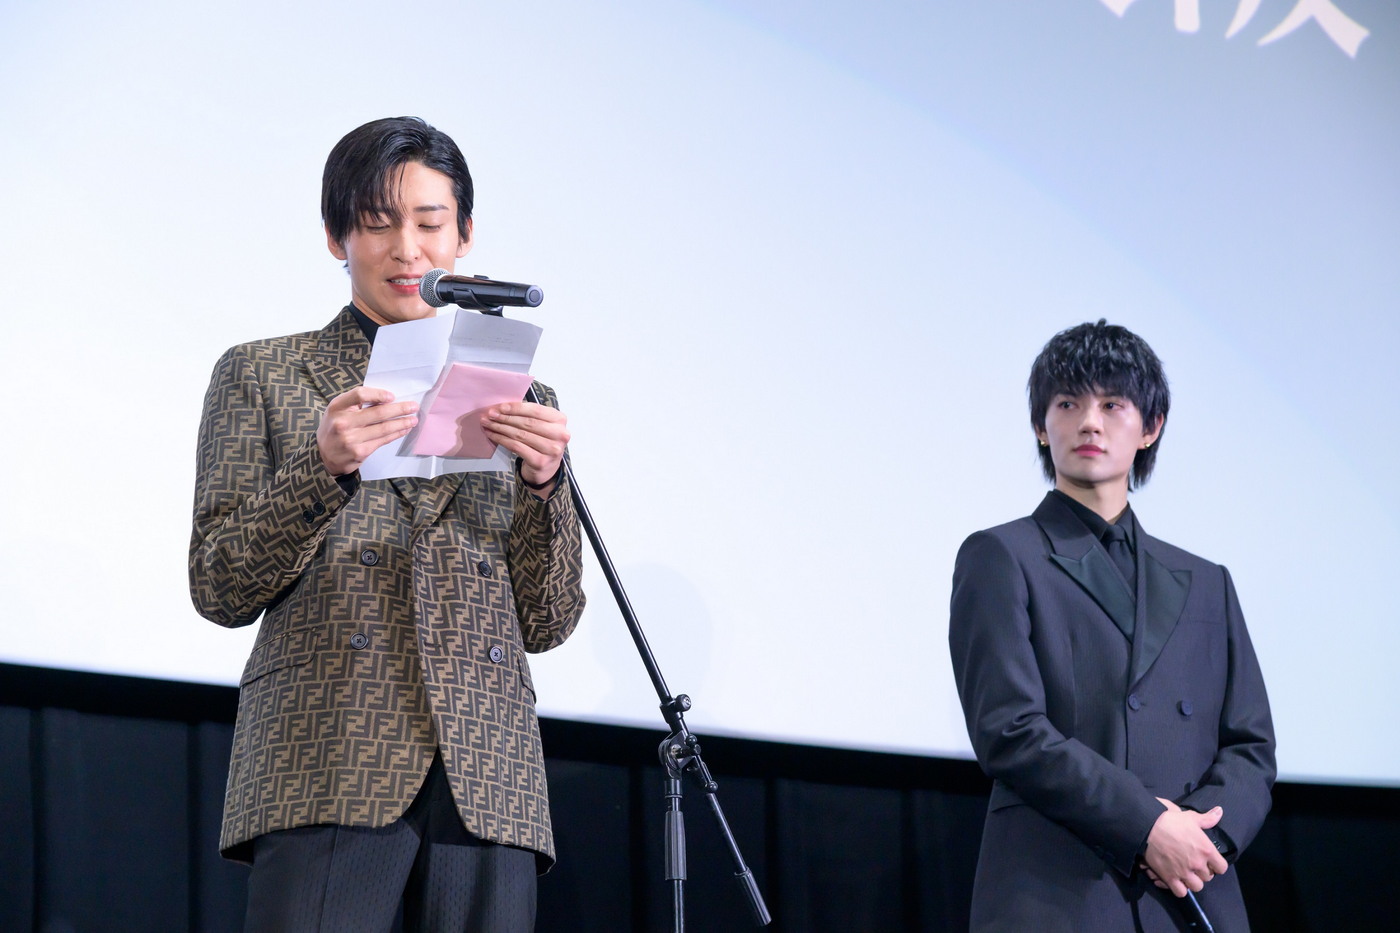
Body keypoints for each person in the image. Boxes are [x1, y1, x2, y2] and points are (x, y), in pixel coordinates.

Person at [188, 116, 586, 932]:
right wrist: (322, 466)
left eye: (431, 223)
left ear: (464, 235)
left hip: (488, 770)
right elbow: (218, 584)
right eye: (377, 223)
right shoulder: (263, 373)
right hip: (329, 753)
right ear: (337, 236)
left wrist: (546, 486)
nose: (408, 249)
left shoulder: (523, 397)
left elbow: (549, 619)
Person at [948, 320, 1275, 931]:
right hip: (1062, 892)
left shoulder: (1208, 580)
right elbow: (1010, 730)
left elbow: (1250, 747)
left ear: (1151, 427)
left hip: (1190, 893)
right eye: (1068, 404)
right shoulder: (1001, 556)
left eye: (1112, 404)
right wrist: (1147, 826)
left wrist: (1201, 838)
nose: (1089, 423)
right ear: (1040, 426)